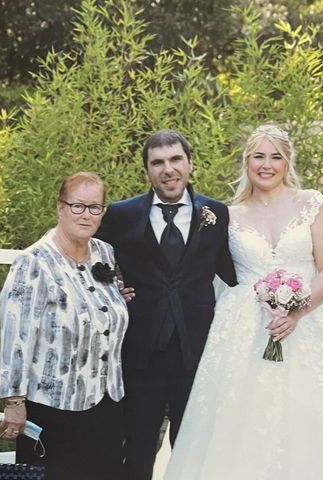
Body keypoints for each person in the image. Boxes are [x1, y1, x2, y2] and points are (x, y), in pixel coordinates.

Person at [162, 124, 323, 479]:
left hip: (309, 322)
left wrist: (297, 311)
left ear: (287, 161)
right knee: (242, 423)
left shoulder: (311, 203)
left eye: (275, 156)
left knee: (314, 417)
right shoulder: (225, 215)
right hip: (244, 328)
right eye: (259, 156)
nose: (267, 165)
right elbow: (196, 269)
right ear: (246, 162)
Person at [95, 129, 237, 480]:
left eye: (175, 159)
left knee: (194, 446)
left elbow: (236, 274)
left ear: (190, 165)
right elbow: (90, 261)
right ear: (146, 171)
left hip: (198, 349)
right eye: (157, 163)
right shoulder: (121, 214)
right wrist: (110, 291)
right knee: (139, 447)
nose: (167, 169)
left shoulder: (217, 214)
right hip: (141, 351)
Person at [0, 172, 128, 480]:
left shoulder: (104, 252)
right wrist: (14, 403)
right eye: (77, 205)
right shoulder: (34, 262)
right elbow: (16, 338)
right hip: (54, 409)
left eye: (95, 207)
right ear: (60, 208)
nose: (86, 214)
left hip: (107, 402)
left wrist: (115, 304)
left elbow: (90, 307)